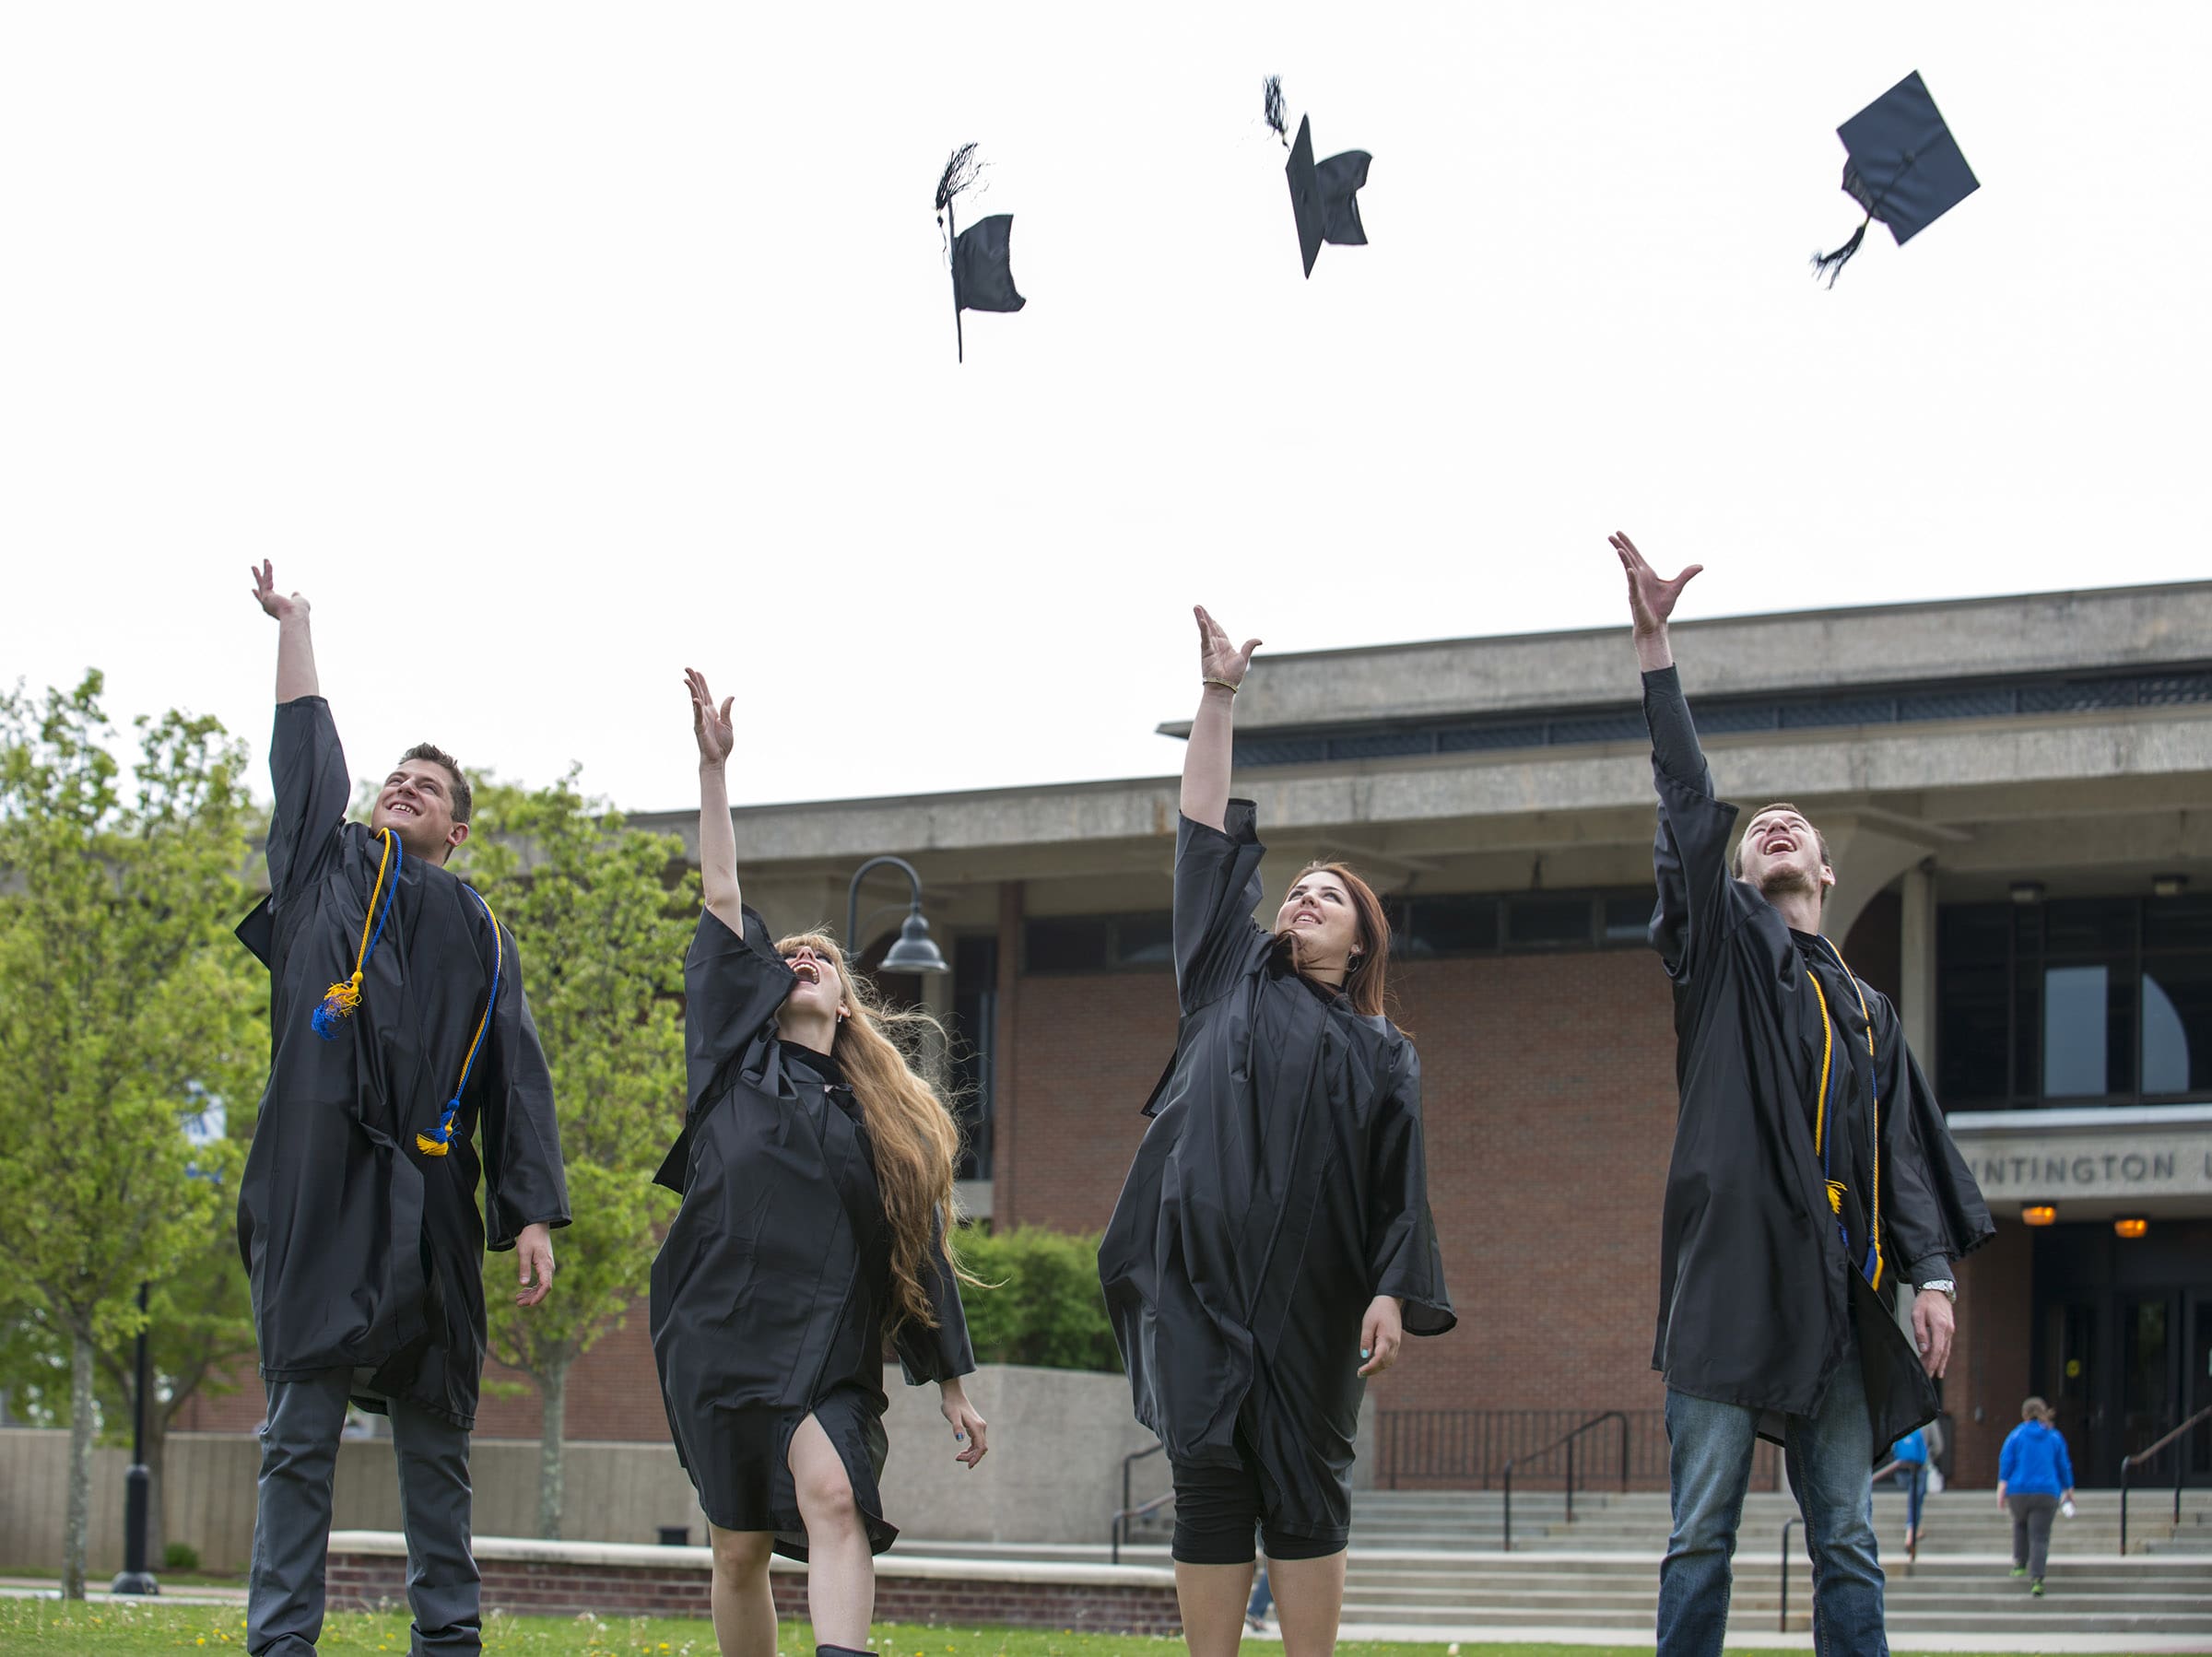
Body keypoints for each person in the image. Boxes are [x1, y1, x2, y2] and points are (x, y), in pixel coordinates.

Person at [1610, 533, 1995, 1657]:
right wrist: (1654, 647)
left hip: (1838, 1295)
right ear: (1738, 878)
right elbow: (1691, 805)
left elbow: (1908, 1162)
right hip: (1729, 1285)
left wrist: (1931, 1279)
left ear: (1827, 873)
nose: (1774, 827)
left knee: (1848, 1540)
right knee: (1702, 1535)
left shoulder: (1872, 1011)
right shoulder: (1721, 964)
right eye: (1759, 831)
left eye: (1798, 829)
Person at [1099, 606, 1455, 1657]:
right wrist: (1217, 697)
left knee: (1305, 1480)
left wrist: (1392, 1287)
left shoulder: (1384, 1051)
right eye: (1294, 890)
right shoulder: (1222, 978)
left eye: (1326, 897)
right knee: (1209, 1475)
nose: (1302, 899)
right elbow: (1203, 832)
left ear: (1360, 936)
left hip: (1315, 1294)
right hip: (1201, 1283)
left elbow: (1403, 1185)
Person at [238, 563, 571, 1657]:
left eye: (428, 783)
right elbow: (306, 754)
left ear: (459, 831)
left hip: (428, 1195)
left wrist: (527, 1212)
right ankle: (282, 1642)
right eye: (395, 774)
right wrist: (298, 628)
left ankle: (449, 1638)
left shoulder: (481, 933)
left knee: (437, 1432)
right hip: (321, 1178)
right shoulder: (322, 872)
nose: (403, 784)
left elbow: (513, 1075)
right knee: (300, 1430)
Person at [652, 668, 987, 1657]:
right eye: (785, 957)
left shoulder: (887, 1125)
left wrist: (953, 1387)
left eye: (821, 959)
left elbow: (920, 1257)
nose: (800, 960)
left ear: (846, 999)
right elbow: (722, 896)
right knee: (740, 1550)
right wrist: (714, 772)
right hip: (718, 1328)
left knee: (836, 1495)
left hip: (827, 1344)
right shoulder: (729, 1070)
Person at [1997, 1396, 2076, 1595]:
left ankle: (2019, 1563)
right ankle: (2037, 1580)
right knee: (2039, 1537)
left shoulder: (2016, 1435)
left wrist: (2001, 1490)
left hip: (2019, 1491)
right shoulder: (2054, 1437)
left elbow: (2006, 1462)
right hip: (2046, 1492)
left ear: (2024, 1414)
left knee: (2020, 1524)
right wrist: (2069, 1490)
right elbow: (2063, 1465)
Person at [1888, 1427, 1929, 1557]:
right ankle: (1911, 1534)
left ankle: (1911, 1533)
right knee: (1915, 1502)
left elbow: (1893, 1451)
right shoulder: (1922, 1428)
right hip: (1917, 1469)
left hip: (1902, 1469)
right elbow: (1930, 1451)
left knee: (1914, 1502)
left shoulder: (1901, 1428)